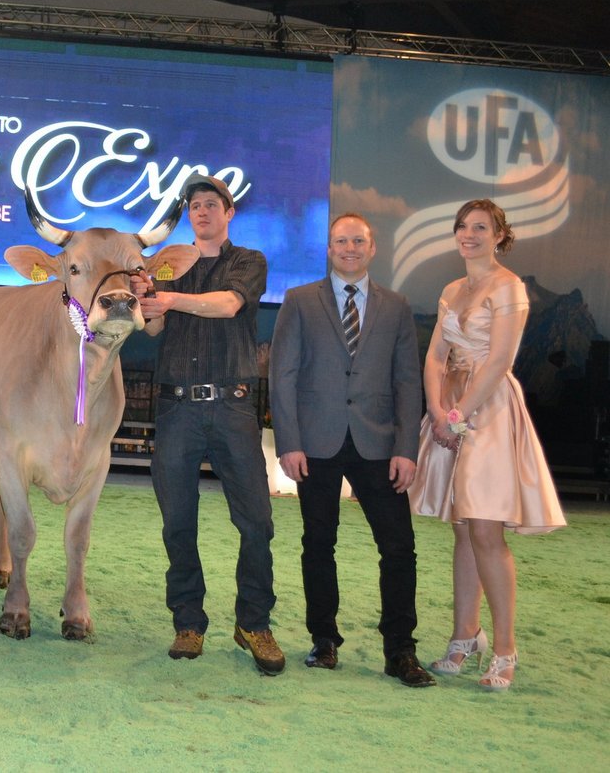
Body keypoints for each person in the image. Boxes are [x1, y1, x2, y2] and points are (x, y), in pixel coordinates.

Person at [268, 213, 434, 687]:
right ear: (329, 248)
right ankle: (324, 641)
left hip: (379, 444)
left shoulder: (397, 306)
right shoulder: (299, 302)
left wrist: (407, 447)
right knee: (318, 544)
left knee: (399, 547)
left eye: (358, 240)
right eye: (341, 240)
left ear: (372, 247)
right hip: (314, 445)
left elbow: (407, 380)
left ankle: (400, 650)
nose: (349, 247)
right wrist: (289, 443)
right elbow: (283, 376)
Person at [408, 199, 566, 691]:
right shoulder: (453, 288)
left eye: (481, 227)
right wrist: (436, 410)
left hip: (488, 412)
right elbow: (435, 355)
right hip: (450, 410)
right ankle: (464, 636)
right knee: (463, 528)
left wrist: (457, 417)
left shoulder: (508, 286)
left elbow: (498, 361)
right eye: (463, 226)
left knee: (486, 532)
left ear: (499, 235)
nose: (469, 234)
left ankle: (504, 648)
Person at [132, 173, 284, 674]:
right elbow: (151, 327)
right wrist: (143, 298)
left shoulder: (248, 262)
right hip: (176, 408)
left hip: (233, 406)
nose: (201, 211)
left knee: (257, 521)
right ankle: (188, 623)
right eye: (194, 205)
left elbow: (229, 304)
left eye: (210, 204)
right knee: (178, 521)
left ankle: (254, 623)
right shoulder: (168, 268)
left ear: (228, 212)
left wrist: (170, 299)